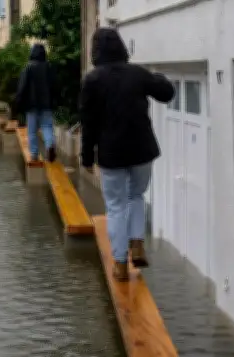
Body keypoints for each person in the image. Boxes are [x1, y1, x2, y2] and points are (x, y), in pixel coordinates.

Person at [79, 27, 175, 281]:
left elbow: (88, 123)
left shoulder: (92, 80)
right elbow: (167, 93)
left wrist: (86, 157)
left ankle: (120, 263)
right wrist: (158, 77)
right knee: (136, 196)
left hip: (112, 153)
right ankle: (138, 245)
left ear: (95, 51)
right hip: (142, 149)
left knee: (115, 206)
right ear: (121, 47)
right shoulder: (138, 74)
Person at [15, 43, 57, 163]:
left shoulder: (28, 68)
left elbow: (22, 87)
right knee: (47, 127)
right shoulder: (49, 67)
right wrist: (55, 101)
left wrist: (18, 103)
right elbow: (55, 86)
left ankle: (34, 154)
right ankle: (49, 145)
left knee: (32, 130)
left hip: (31, 105)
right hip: (47, 104)